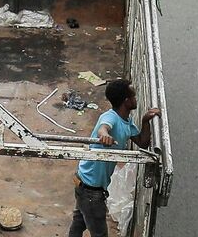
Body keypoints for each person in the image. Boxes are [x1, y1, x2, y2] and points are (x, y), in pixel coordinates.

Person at [68, 79, 161, 237]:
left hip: (85, 184)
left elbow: (142, 142)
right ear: (126, 101)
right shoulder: (110, 117)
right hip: (91, 190)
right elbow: (104, 128)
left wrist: (146, 121)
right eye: (133, 96)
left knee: (79, 222)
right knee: (99, 233)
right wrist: (104, 135)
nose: (135, 99)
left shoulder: (126, 120)